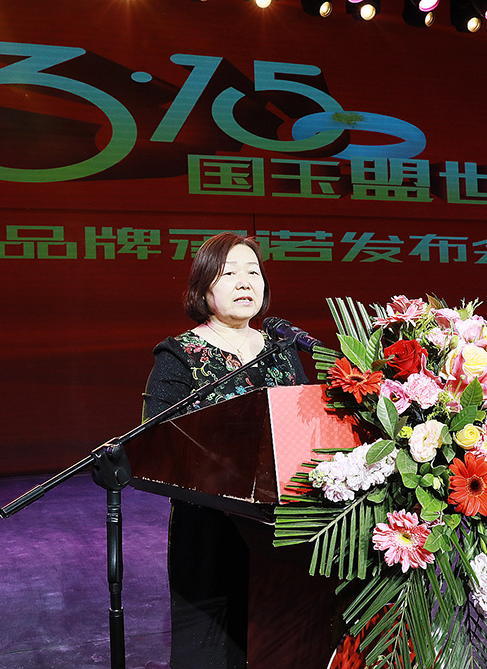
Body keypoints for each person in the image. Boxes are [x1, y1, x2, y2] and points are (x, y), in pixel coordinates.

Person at [142, 232, 309, 669]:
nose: (245, 282)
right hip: (209, 524)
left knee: (276, 639)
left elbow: (304, 426)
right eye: (229, 273)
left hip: (280, 524)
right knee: (211, 647)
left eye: (253, 272)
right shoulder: (179, 353)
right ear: (203, 289)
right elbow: (156, 440)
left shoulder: (283, 350)